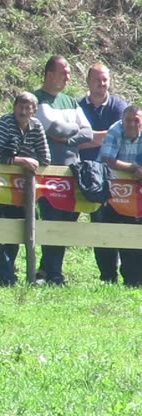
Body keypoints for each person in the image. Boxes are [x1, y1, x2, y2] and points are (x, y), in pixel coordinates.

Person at [31, 55, 102, 285]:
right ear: (49, 74)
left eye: (69, 72)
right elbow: (53, 127)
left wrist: (66, 139)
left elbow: (88, 133)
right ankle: (50, 273)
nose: (68, 77)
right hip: (48, 171)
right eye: (64, 72)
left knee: (68, 220)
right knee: (51, 219)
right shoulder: (37, 99)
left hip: (73, 172)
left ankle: (50, 271)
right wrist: (72, 131)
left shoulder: (71, 102)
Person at [0, 92, 49, 286]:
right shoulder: (4, 123)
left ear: (34, 111)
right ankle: (6, 274)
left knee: (16, 232)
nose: (23, 111)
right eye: (21, 106)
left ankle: (2, 277)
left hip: (20, 188)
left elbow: (45, 158)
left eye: (28, 108)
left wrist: (25, 160)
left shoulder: (36, 127)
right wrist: (21, 160)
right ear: (14, 107)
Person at [79, 63, 128, 283]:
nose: (102, 84)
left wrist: (88, 137)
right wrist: (106, 135)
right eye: (97, 79)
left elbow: (122, 137)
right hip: (87, 177)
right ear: (88, 81)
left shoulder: (119, 106)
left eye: (105, 79)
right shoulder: (78, 106)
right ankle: (107, 275)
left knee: (120, 222)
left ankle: (129, 273)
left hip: (117, 175)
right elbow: (73, 141)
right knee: (98, 224)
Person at [97, 106, 142, 286]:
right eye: (128, 120)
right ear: (122, 120)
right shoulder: (115, 130)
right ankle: (108, 278)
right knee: (105, 234)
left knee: (134, 235)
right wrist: (134, 168)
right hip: (110, 190)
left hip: (136, 193)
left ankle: (134, 280)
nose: (131, 124)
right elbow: (107, 159)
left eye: (136, 120)